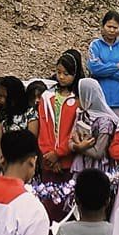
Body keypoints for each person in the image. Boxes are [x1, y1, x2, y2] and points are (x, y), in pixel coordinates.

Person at [33, 53, 87, 221]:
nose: (62, 77)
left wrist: (60, 153)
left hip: (69, 160)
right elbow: (44, 127)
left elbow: (75, 129)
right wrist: (49, 154)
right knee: (49, 204)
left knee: (68, 204)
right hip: (49, 160)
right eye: (59, 72)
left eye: (66, 73)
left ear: (75, 74)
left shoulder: (79, 99)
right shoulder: (47, 97)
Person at [85, 11, 119, 109]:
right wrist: (116, 66)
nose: (112, 30)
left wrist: (104, 71)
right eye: (109, 26)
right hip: (99, 100)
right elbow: (94, 68)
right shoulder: (95, 45)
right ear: (103, 26)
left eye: (115, 27)